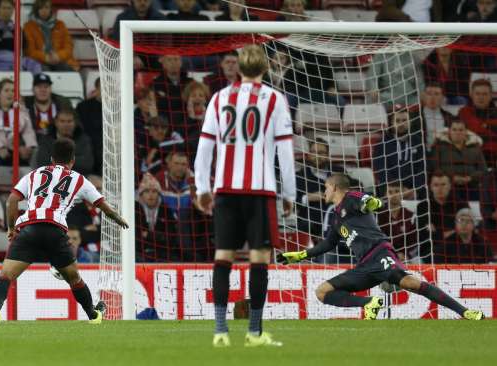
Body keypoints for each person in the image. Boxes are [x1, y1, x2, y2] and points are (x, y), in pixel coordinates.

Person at [194, 45, 296, 347]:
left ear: (238, 69)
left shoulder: (220, 97)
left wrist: (202, 188)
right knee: (259, 259)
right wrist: (289, 192)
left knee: (223, 257)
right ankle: (253, 333)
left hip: (225, 189)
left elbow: (204, 148)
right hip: (259, 191)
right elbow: (285, 151)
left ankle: (220, 332)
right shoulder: (275, 99)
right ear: (265, 69)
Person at [281, 173, 485, 321]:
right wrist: (299, 255)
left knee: (412, 284)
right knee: (322, 292)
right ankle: (368, 303)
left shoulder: (351, 198)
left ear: (334, 187)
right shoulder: (335, 217)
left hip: (379, 254)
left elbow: (367, 201)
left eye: (325, 187)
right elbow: (328, 244)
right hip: (364, 266)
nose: (324, 191)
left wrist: (373, 203)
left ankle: (465, 312)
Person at [0, 138, 128, 325]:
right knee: (74, 278)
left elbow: (12, 200)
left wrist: (11, 228)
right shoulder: (79, 179)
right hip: (54, 231)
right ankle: (93, 315)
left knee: (6, 275)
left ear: (51, 159)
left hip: (29, 229)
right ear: (72, 160)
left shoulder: (35, 174)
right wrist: (119, 219)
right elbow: (103, 206)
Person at [0, 78, 37, 165]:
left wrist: (29, 146)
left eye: (13, 91)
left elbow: (28, 131)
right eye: (6, 90)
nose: (10, 93)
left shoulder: (21, 110)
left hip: (15, 149)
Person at [373, 108, 426, 198]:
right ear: (392, 123)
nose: (401, 124)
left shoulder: (418, 142)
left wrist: (415, 189)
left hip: (412, 191)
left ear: (410, 122)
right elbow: (381, 169)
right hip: (389, 190)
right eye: (397, 121)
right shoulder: (382, 144)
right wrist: (396, 189)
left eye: (404, 120)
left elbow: (422, 168)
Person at [429, 120, 486, 201]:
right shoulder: (439, 146)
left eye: (461, 130)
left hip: (472, 185)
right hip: (447, 186)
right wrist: (451, 178)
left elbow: (483, 170)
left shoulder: (475, 147)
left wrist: (470, 178)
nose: (457, 132)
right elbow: (434, 167)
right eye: (454, 129)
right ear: (449, 131)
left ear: (466, 132)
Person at [34, 107, 94, 175]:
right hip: (52, 178)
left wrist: (59, 160)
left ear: (75, 123)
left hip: (78, 177)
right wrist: (69, 160)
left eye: (69, 121)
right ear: (56, 122)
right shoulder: (46, 140)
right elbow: (42, 163)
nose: (66, 125)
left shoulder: (84, 140)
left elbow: (87, 164)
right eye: (62, 121)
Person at [23, 0, 79, 71]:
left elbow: (69, 47)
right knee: (43, 71)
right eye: (41, 8)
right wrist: (45, 57)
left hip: (60, 60)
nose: (44, 10)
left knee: (65, 69)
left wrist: (58, 56)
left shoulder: (60, 25)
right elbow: (29, 51)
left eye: (46, 7)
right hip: (39, 61)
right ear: (36, 10)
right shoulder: (28, 27)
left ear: (50, 9)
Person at [135, 173, 179, 262]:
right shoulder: (134, 210)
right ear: (141, 194)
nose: (151, 195)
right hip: (139, 254)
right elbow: (136, 238)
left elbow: (170, 239)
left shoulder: (166, 210)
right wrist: (158, 237)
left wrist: (148, 235)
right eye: (147, 191)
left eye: (154, 191)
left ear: (159, 194)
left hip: (163, 254)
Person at [459, 79, 497, 165]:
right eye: (478, 94)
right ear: (471, 95)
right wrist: (488, 128)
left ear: (491, 95)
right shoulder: (463, 112)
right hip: (469, 158)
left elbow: (474, 130)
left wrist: (483, 128)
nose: (481, 97)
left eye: (485, 94)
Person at [377, 182, 417, 262]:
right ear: (385, 195)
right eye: (390, 192)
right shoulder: (379, 216)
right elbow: (378, 241)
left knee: (418, 261)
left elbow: (413, 242)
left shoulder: (410, 215)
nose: (394, 195)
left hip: (406, 257)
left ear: (402, 193)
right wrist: (393, 254)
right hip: (384, 256)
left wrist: (405, 254)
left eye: (397, 191)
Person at [23, 73, 73, 138]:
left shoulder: (63, 103)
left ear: (51, 89)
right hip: (33, 143)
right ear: (33, 89)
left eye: (46, 87)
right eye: (39, 87)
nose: (43, 90)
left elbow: (75, 125)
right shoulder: (25, 104)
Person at [76, 78, 103, 175]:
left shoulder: (120, 107)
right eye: (103, 87)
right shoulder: (83, 107)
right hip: (89, 145)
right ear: (96, 89)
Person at [420, 82, 453, 151]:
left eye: (437, 94)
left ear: (442, 97)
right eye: (429, 94)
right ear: (423, 96)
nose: (433, 97)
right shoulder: (415, 116)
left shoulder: (449, 117)